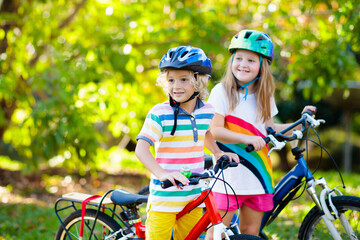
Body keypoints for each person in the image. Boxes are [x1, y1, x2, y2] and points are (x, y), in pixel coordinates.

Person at [205, 29, 316, 237]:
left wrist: (301, 123)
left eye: (251, 60)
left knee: (250, 233)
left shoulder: (265, 95)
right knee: (217, 234)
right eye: (238, 58)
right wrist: (248, 138)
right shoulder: (221, 91)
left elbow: (270, 130)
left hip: (258, 176)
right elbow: (216, 131)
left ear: (262, 66)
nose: (243, 64)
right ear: (231, 61)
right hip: (229, 176)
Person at [135, 45, 239, 240]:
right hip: (164, 198)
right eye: (171, 80)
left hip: (193, 196)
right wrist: (163, 174)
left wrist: (217, 153)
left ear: (199, 82)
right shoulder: (159, 113)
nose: (176, 86)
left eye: (184, 79)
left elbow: (205, 133)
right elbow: (141, 149)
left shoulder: (207, 111)